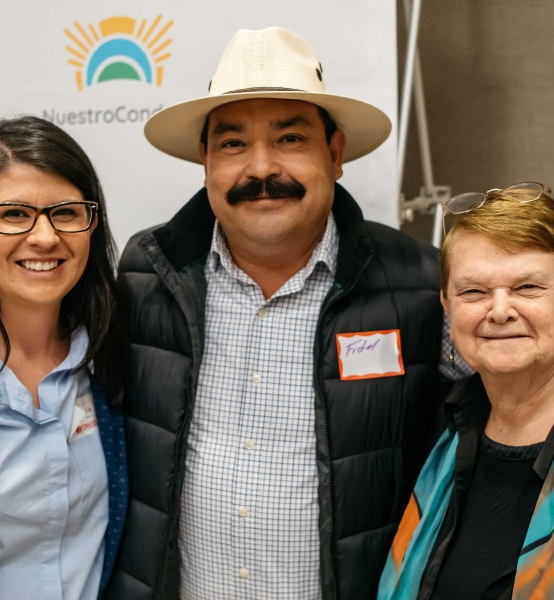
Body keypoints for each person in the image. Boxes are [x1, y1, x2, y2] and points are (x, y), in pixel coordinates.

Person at [106, 27, 450, 600]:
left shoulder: (421, 284)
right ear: (206, 159)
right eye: (233, 143)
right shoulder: (145, 273)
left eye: (290, 138)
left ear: (334, 153)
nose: (261, 169)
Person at [378, 182, 554, 599]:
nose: (500, 311)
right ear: (447, 307)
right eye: (474, 291)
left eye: (527, 287)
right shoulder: (446, 420)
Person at [0, 115, 128, 599]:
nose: (44, 237)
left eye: (65, 213)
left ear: (92, 224)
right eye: (14, 214)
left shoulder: (113, 360)